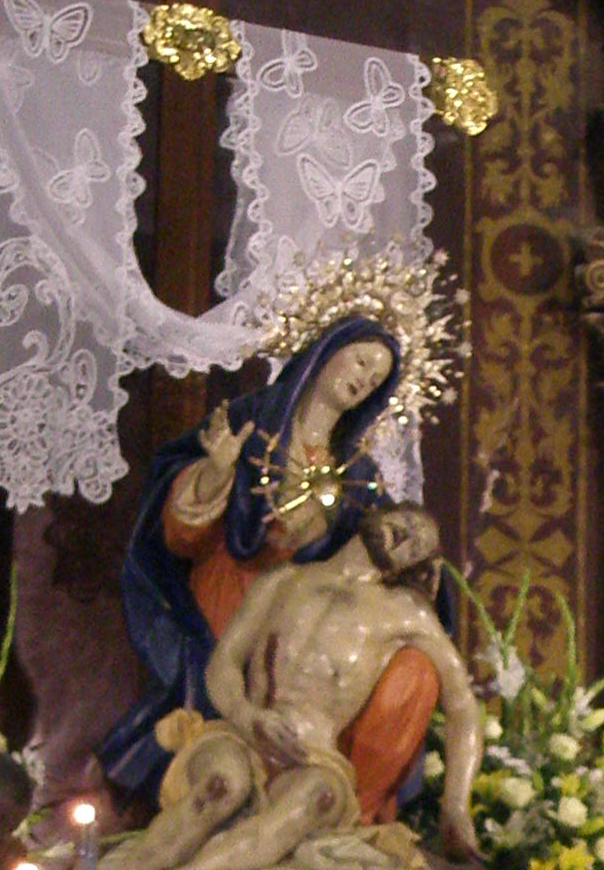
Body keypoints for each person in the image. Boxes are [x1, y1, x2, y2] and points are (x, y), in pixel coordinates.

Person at [97, 503, 480, 870]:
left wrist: (456, 806)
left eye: (417, 544)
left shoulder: (405, 614)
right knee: (221, 784)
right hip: (244, 734)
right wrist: (246, 716)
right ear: (373, 516)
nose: (406, 536)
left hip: (313, 758)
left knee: (313, 798)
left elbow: (463, 707)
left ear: (414, 566)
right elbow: (223, 664)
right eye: (404, 522)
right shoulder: (284, 581)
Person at [99, 315, 417, 806]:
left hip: (294, 618)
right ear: (327, 351)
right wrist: (215, 473)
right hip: (228, 592)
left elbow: (378, 555)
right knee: (221, 716)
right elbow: (177, 538)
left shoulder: (357, 473)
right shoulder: (248, 423)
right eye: (360, 362)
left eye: (375, 381)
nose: (363, 381)